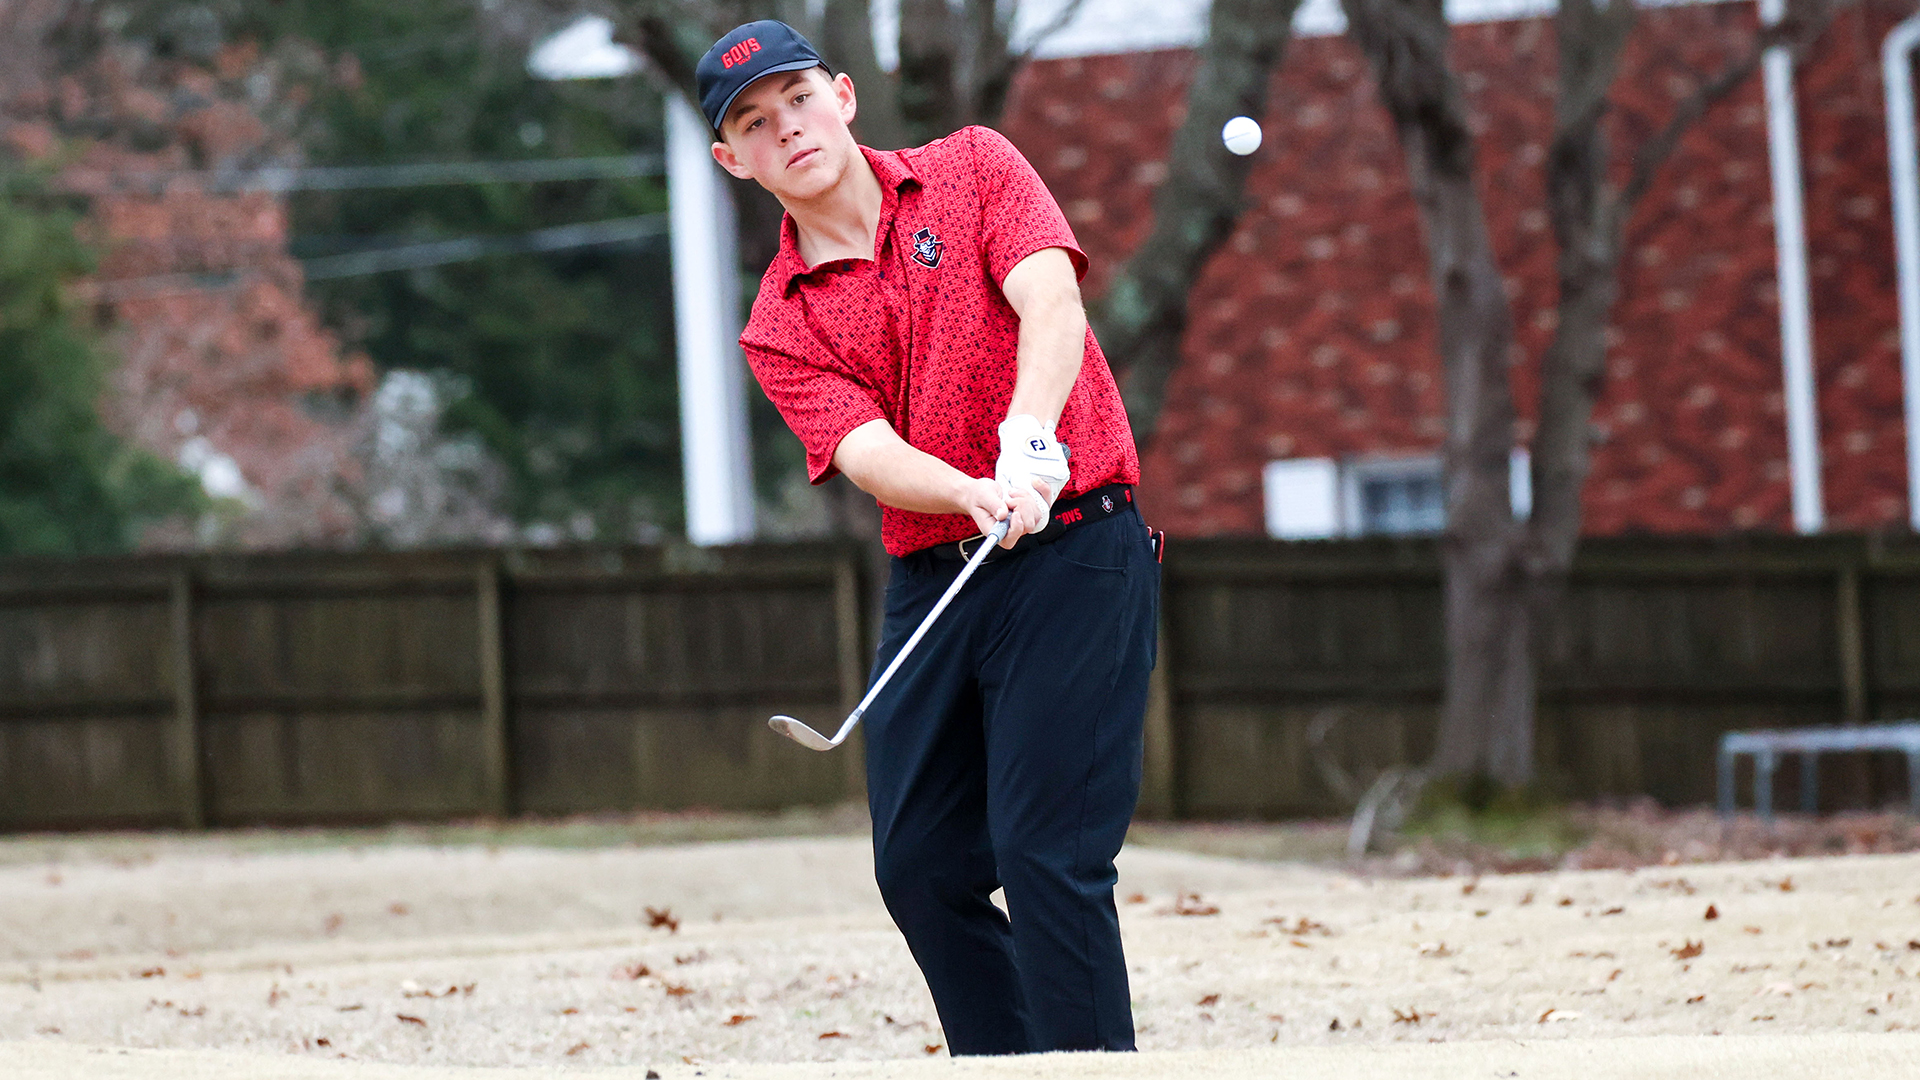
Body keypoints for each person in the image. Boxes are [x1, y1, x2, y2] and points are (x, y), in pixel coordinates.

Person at [697, 20, 1161, 1055]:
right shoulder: (779, 320)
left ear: (846, 97)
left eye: (800, 100)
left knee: (1048, 854)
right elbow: (863, 452)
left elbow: (1050, 296)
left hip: (1078, 550)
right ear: (734, 161)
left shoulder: (974, 168)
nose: (789, 129)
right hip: (935, 571)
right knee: (920, 869)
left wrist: (1030, 434)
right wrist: (970, 491)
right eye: (755, 124)